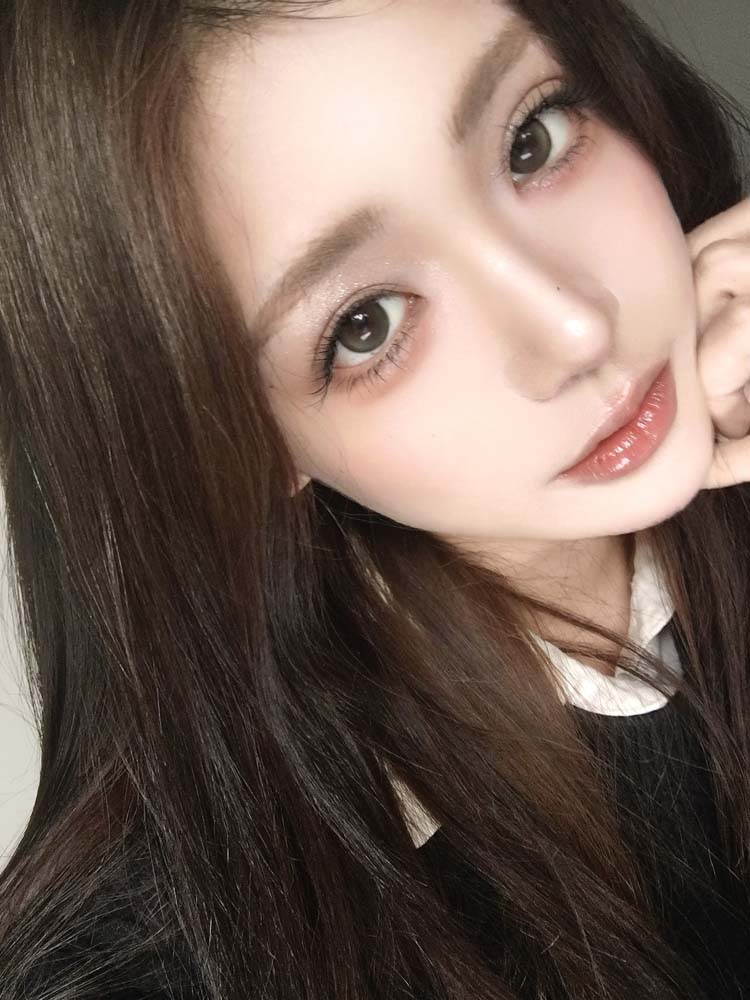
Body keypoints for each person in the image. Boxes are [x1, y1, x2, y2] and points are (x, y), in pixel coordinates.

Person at [0, 0, 749, 997]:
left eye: (532, 139)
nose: (575, 330)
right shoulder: (189, 957)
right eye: (366, 324)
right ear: (244, 440)